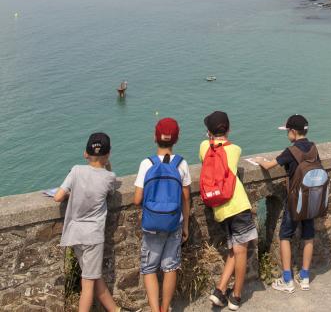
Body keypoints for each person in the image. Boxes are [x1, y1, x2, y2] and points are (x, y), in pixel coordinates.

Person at [54, 132, 119, 312]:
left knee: (92, 276)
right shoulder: (109, 177)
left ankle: (115, 310)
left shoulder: (76, 170)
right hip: (93, 237)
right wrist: (107, 163)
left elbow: (58, 197)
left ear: (85, 153)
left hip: (75, 234)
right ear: (108, 154)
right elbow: (111, 190)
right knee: (88, 285)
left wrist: (71, 192)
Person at [201, 111, 258, 310]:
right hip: (238, 205)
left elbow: (208, 147)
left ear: (208, 132)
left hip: (221, 208)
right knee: (241, 251)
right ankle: (236, 296)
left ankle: (219, 290)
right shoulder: (235, 150)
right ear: (229, 129)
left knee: (235, 250)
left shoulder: (203, 147)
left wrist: (210, 137)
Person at [133, 118, 191, 312]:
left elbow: (137, 199)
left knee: (149, 269)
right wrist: (186, 226)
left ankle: (155, 309)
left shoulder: (146, 164)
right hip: (174, 223)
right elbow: (185, 199)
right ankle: (165, 309)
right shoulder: (181, 164)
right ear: (177, 139)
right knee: (170, 267)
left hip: (152, 224)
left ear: (155, 137)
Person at [256, 114, 317, 292]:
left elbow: (268, 166)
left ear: (292, 132)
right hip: (311, 198)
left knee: (285, 236)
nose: (287, 135)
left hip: (295, 200)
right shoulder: (313, 147)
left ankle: (287, 279)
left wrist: (260, 161)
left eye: (287, 131)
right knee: (308, 235)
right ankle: (305, 277)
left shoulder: (291, 151)